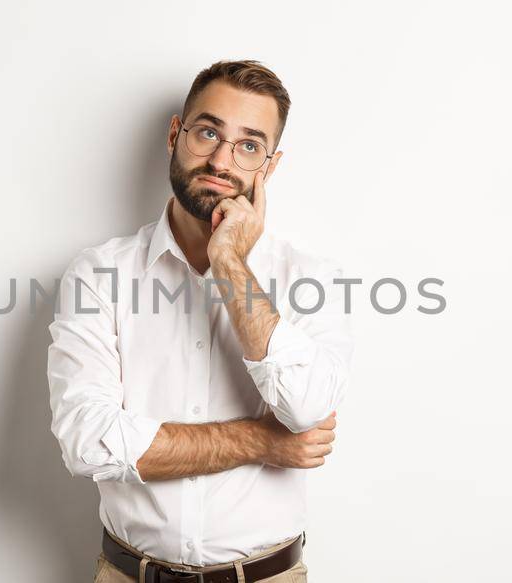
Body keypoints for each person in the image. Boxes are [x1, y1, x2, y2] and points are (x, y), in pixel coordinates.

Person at [47, 59, 352, 582]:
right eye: (208, 132)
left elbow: (306, 411)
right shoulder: (99, 274)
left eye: (248, 145)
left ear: (268, 169)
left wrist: (230, 263)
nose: (221, 159)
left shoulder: (311, 276)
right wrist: (261, 441)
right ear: (175, 134)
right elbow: (87, 440)